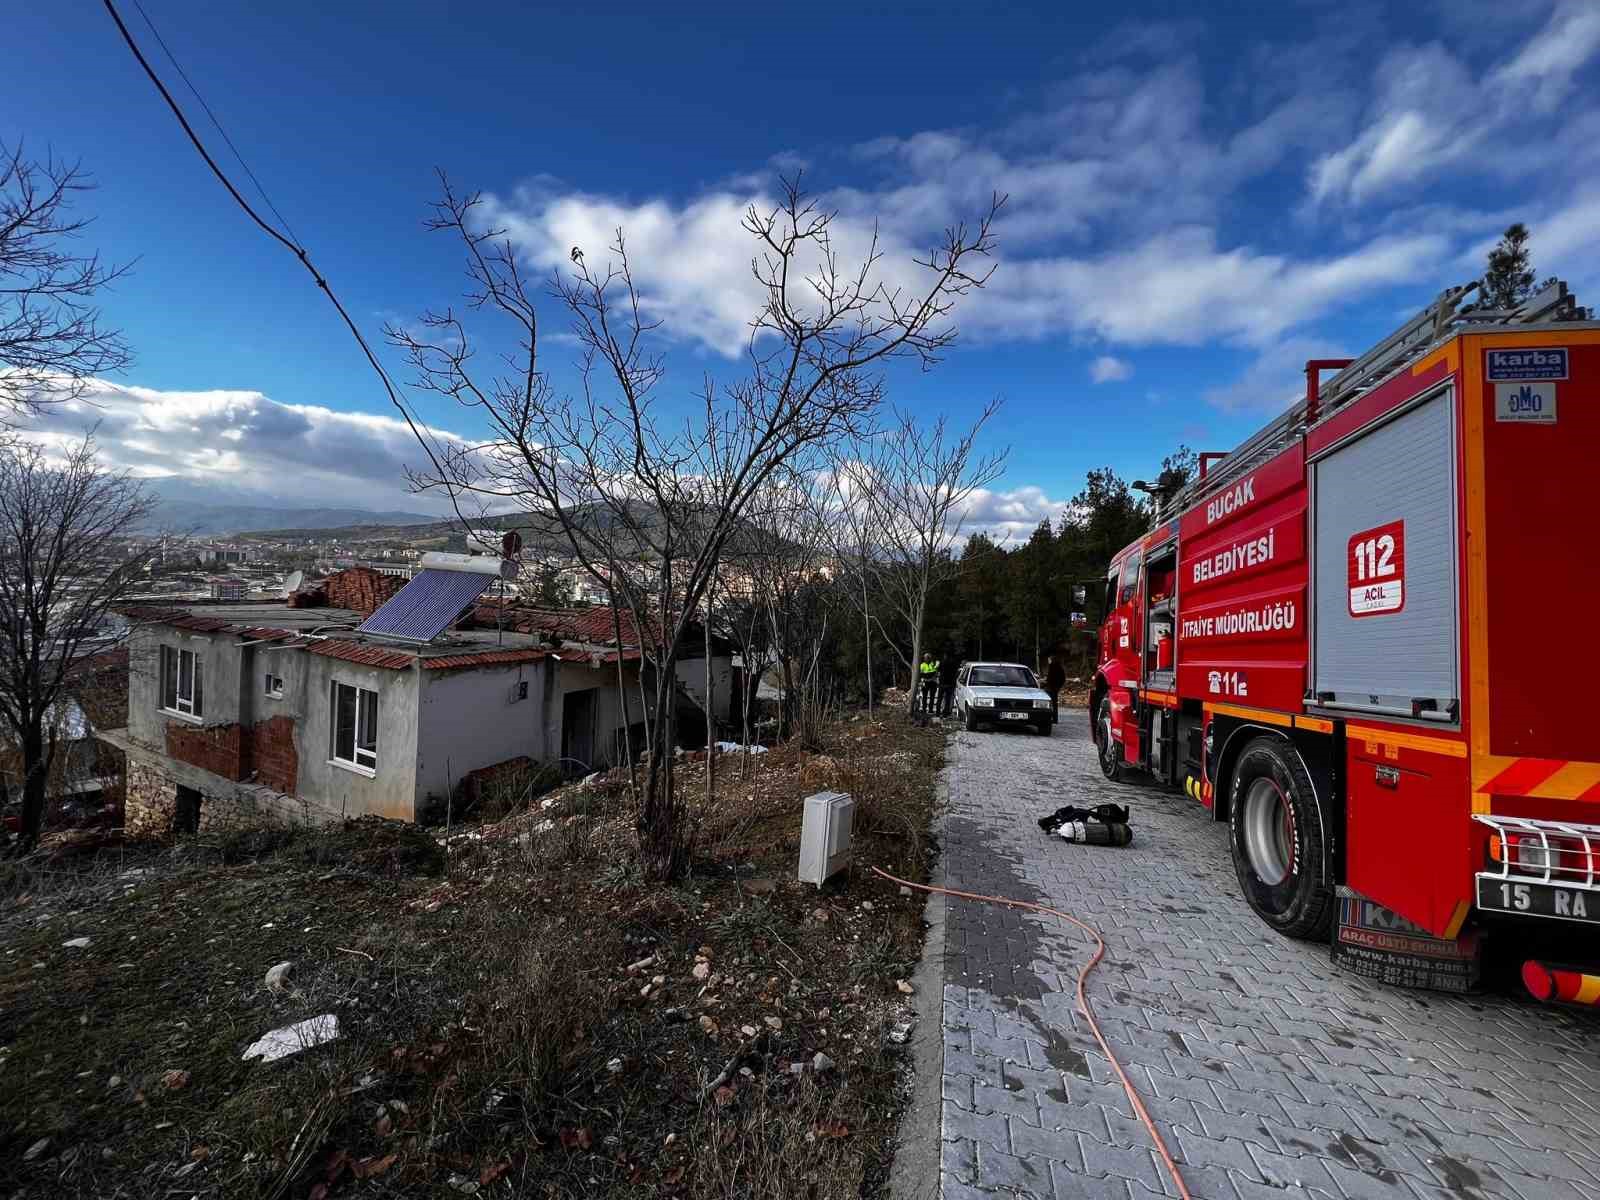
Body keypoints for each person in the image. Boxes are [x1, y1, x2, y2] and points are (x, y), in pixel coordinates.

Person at [1045, 653, 1066, 724]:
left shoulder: (1054, 667)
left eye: (1049, 660)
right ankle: (1054, 718)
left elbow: (1061, 679)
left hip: (1052, 688)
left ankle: (1053, 718)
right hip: (1052, 688)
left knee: (1052, 704)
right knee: (1053, 704)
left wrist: (1057, 687)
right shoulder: (1057, 667)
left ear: (1052, 660)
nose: (1048, 661)